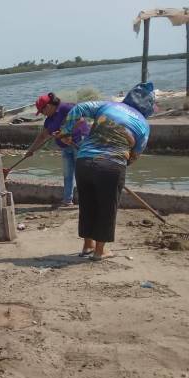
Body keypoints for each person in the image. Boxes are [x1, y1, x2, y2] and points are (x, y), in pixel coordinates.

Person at [56, 82, 154, 261]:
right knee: (107, 207)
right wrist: (119, 168)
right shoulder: (143, 125)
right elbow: (135, 155)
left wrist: (66, 131)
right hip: (112, 165)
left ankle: (87, 246)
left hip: (84, 161)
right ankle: (100, 251)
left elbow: (79, 108)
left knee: (87, 204)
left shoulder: (108, 105)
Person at [24, 92, 90, 207]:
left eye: (42, 111)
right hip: (65, 148)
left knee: (82, 174)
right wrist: (31, 150)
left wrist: (66, 132)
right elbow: (42, 136)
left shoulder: (66, 107)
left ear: (48, 106)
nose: (43, 114)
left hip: (79, 143)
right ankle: (67, 200)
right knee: (67, 174)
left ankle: (87, 200)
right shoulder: (49, 120)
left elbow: (81, 120)